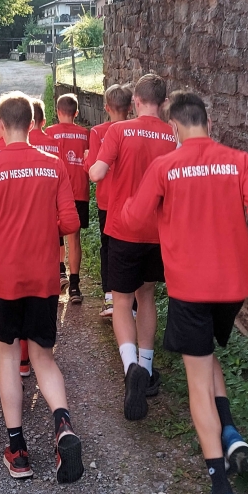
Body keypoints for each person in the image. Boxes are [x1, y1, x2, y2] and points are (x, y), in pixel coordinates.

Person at [122, 91, 248, 494]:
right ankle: (230, 429)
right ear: (209, 122)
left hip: (191, 285)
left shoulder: (166, 166)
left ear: (174, 127)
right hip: (232, 284)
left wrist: (149, 212)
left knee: (197, 382)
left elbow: (134, 219)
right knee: (205, 355)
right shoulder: (238, 160)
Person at [0, 93, 84, 483]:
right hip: (43, 276)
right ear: (32, 124)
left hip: (5, 277)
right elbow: (70, 223)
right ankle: (63, 426)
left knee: (9, 357)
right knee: (43, 357)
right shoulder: (53, 163)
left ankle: (18, 450)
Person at [89, 73, 177, 420]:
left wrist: (95, 162)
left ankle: (130, 369)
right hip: (157, 231)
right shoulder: (173, 135)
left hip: (124, 227)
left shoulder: (119, 131)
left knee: (123, 301)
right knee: (147, 296)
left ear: (135, 101)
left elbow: (97, 173)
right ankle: (147, 367)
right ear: (164, 103)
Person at [83, 85, 133, 319]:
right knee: (130, 247)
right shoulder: (134, 130)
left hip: (106, 200)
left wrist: (86, 159)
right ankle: (131, 300)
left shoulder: (97, 132)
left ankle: (110, 296)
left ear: (106, 107)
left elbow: (93, 168)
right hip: (130, 200)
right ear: (130, 108)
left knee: (108, 247)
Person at [46, 94, 90, 305]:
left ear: (57, 112)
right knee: (75, 239)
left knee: (54, 234)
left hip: (55, 190)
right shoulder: (85, 134)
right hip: (79, 191)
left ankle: (59, 271)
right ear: (77, 113)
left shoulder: (49, 133)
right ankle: (74, 285)